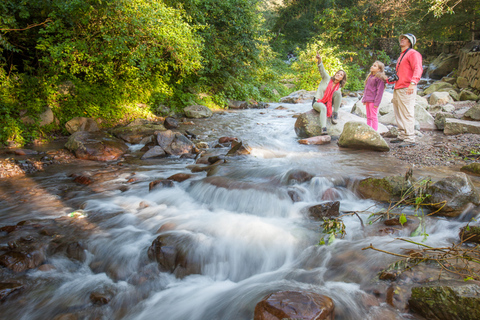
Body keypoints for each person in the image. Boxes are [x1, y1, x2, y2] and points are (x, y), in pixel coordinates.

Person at [390, 33, 423, 147]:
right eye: (402, 38)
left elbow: (418, 68)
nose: (402, 39)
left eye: (405, 38)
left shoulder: (413, 53)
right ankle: (402, 135)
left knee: (407, 112)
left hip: (407, 87)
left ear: (410, 42)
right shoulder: (402, 55)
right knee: (398, 112)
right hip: (398, 87)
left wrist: (413, 83)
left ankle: (409, 138)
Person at [312, 53, 347, 135]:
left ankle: (335, 113)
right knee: (323, 107)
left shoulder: (338, 87)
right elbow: (321, 69)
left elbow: (337, 98)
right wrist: (319, 59)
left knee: (338, 93)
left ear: (342, 78)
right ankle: (323, 128)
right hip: (318, 102)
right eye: (338, 73)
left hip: (328, 103)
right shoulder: (327, 78)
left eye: (341, 74)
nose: (338, 75)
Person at [362, 61, 388, 131]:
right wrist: (364, 99)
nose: (372, 66)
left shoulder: (379, 79)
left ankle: (374, 131)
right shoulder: (370, 76)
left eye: (375, 66)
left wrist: (377, 103)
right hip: (368, 99)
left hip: (373, 101)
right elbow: (366, 89)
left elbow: (380, 92)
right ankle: (368, 130)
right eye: (373, 65)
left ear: (379, 69)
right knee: (368, 116)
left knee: (373, 117)